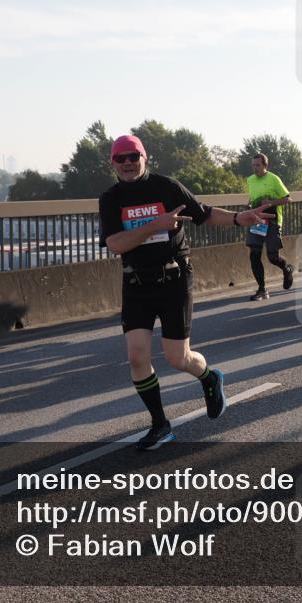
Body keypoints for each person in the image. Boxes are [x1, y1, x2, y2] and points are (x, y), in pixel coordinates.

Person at [98, 135, 269, 449]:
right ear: (113, 163)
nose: (127, 164)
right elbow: (116, 244)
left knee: (178, 357)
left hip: (174, 279)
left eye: (133, 157)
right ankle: (160, 425)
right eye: (120, 158)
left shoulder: (166, 186)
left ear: (144, 157)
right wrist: (156, 224)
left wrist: (235, 218)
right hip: (136, 283)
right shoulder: (111, 198)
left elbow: (202, 213)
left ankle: (209, 378)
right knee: (136, 356)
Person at [245, 153, 294, 301]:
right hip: (257, 220)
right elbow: (252, 197)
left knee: (272, 257)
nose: (255, 168)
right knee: (254, 254)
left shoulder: (273, 179)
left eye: (258, 165)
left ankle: (287, 269)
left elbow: (288, 199)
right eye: (253, 165)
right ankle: (262, 289)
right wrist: (248, 204)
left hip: (272, 221)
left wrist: (271, 203)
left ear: (265, 165)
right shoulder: (250, 180)